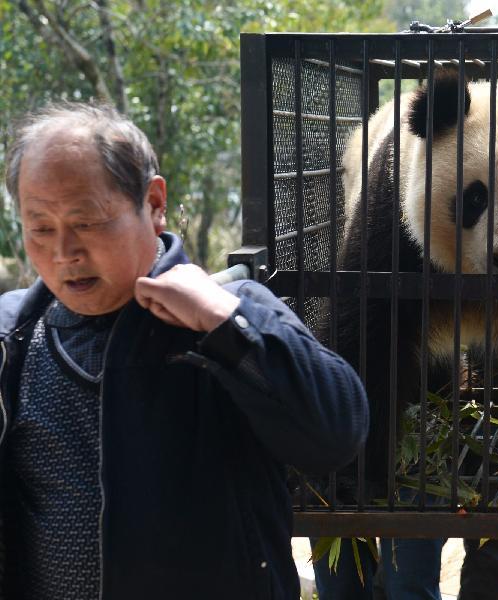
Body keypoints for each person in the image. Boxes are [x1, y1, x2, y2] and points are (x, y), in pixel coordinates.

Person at [0, 103, 370, 599]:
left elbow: (338, 435)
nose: (65, 252)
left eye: (86, 222)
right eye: (41, 228)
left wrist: (229, 328)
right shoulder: (15, 339)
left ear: (153, 203)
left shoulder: (230, 316)